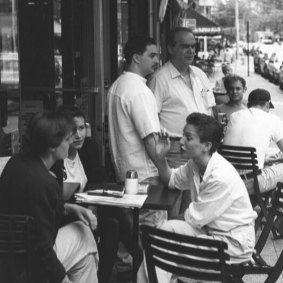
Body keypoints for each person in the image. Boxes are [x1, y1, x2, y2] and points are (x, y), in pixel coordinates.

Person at [146, 113, 257, 283]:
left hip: (231, 243)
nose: (181, 141)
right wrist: (160, 159)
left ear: (206, 145)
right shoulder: (195, 164)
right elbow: (172, 180)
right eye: (183, 135)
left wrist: (154, 231)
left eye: (188, 137)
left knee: (163, 249)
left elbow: (192, 218)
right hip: (210, 232)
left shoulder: (219, 176)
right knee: (162, 233)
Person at [0, 111, 98, 283]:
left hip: (8, 261)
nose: (69, 144)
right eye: (67, 140)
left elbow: (30, 210)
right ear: (53, 145)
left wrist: (70, 207)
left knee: (85, 258)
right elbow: (43, 252)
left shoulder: (15, 163)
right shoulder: (46, 183)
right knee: (84, 234)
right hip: (29, 269)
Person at [54, 105, 119, 283]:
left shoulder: (88, 148)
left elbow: (100, 178)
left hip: (87, 211)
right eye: (73, 130)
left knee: (113, 224)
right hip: (65, 217)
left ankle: (103, 278)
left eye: (82, 128)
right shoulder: (57, 156)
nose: (78, 135)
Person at [148, 27, 216, 139]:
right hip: (175, 149)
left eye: (193, 46)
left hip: (203, 148)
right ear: (170, 49)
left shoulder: (200, 74)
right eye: (184, 46)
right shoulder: (159, 80)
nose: (191, 51)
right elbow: (151, 121)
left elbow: (211, 110)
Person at [223, 88, 283, 195]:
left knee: (268, 157)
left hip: (228, 181)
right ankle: (260, 208)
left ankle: (259, 206)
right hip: (251, 183)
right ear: (267, 105)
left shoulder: (234, 116)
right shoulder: (272, 119)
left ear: (248, 104)